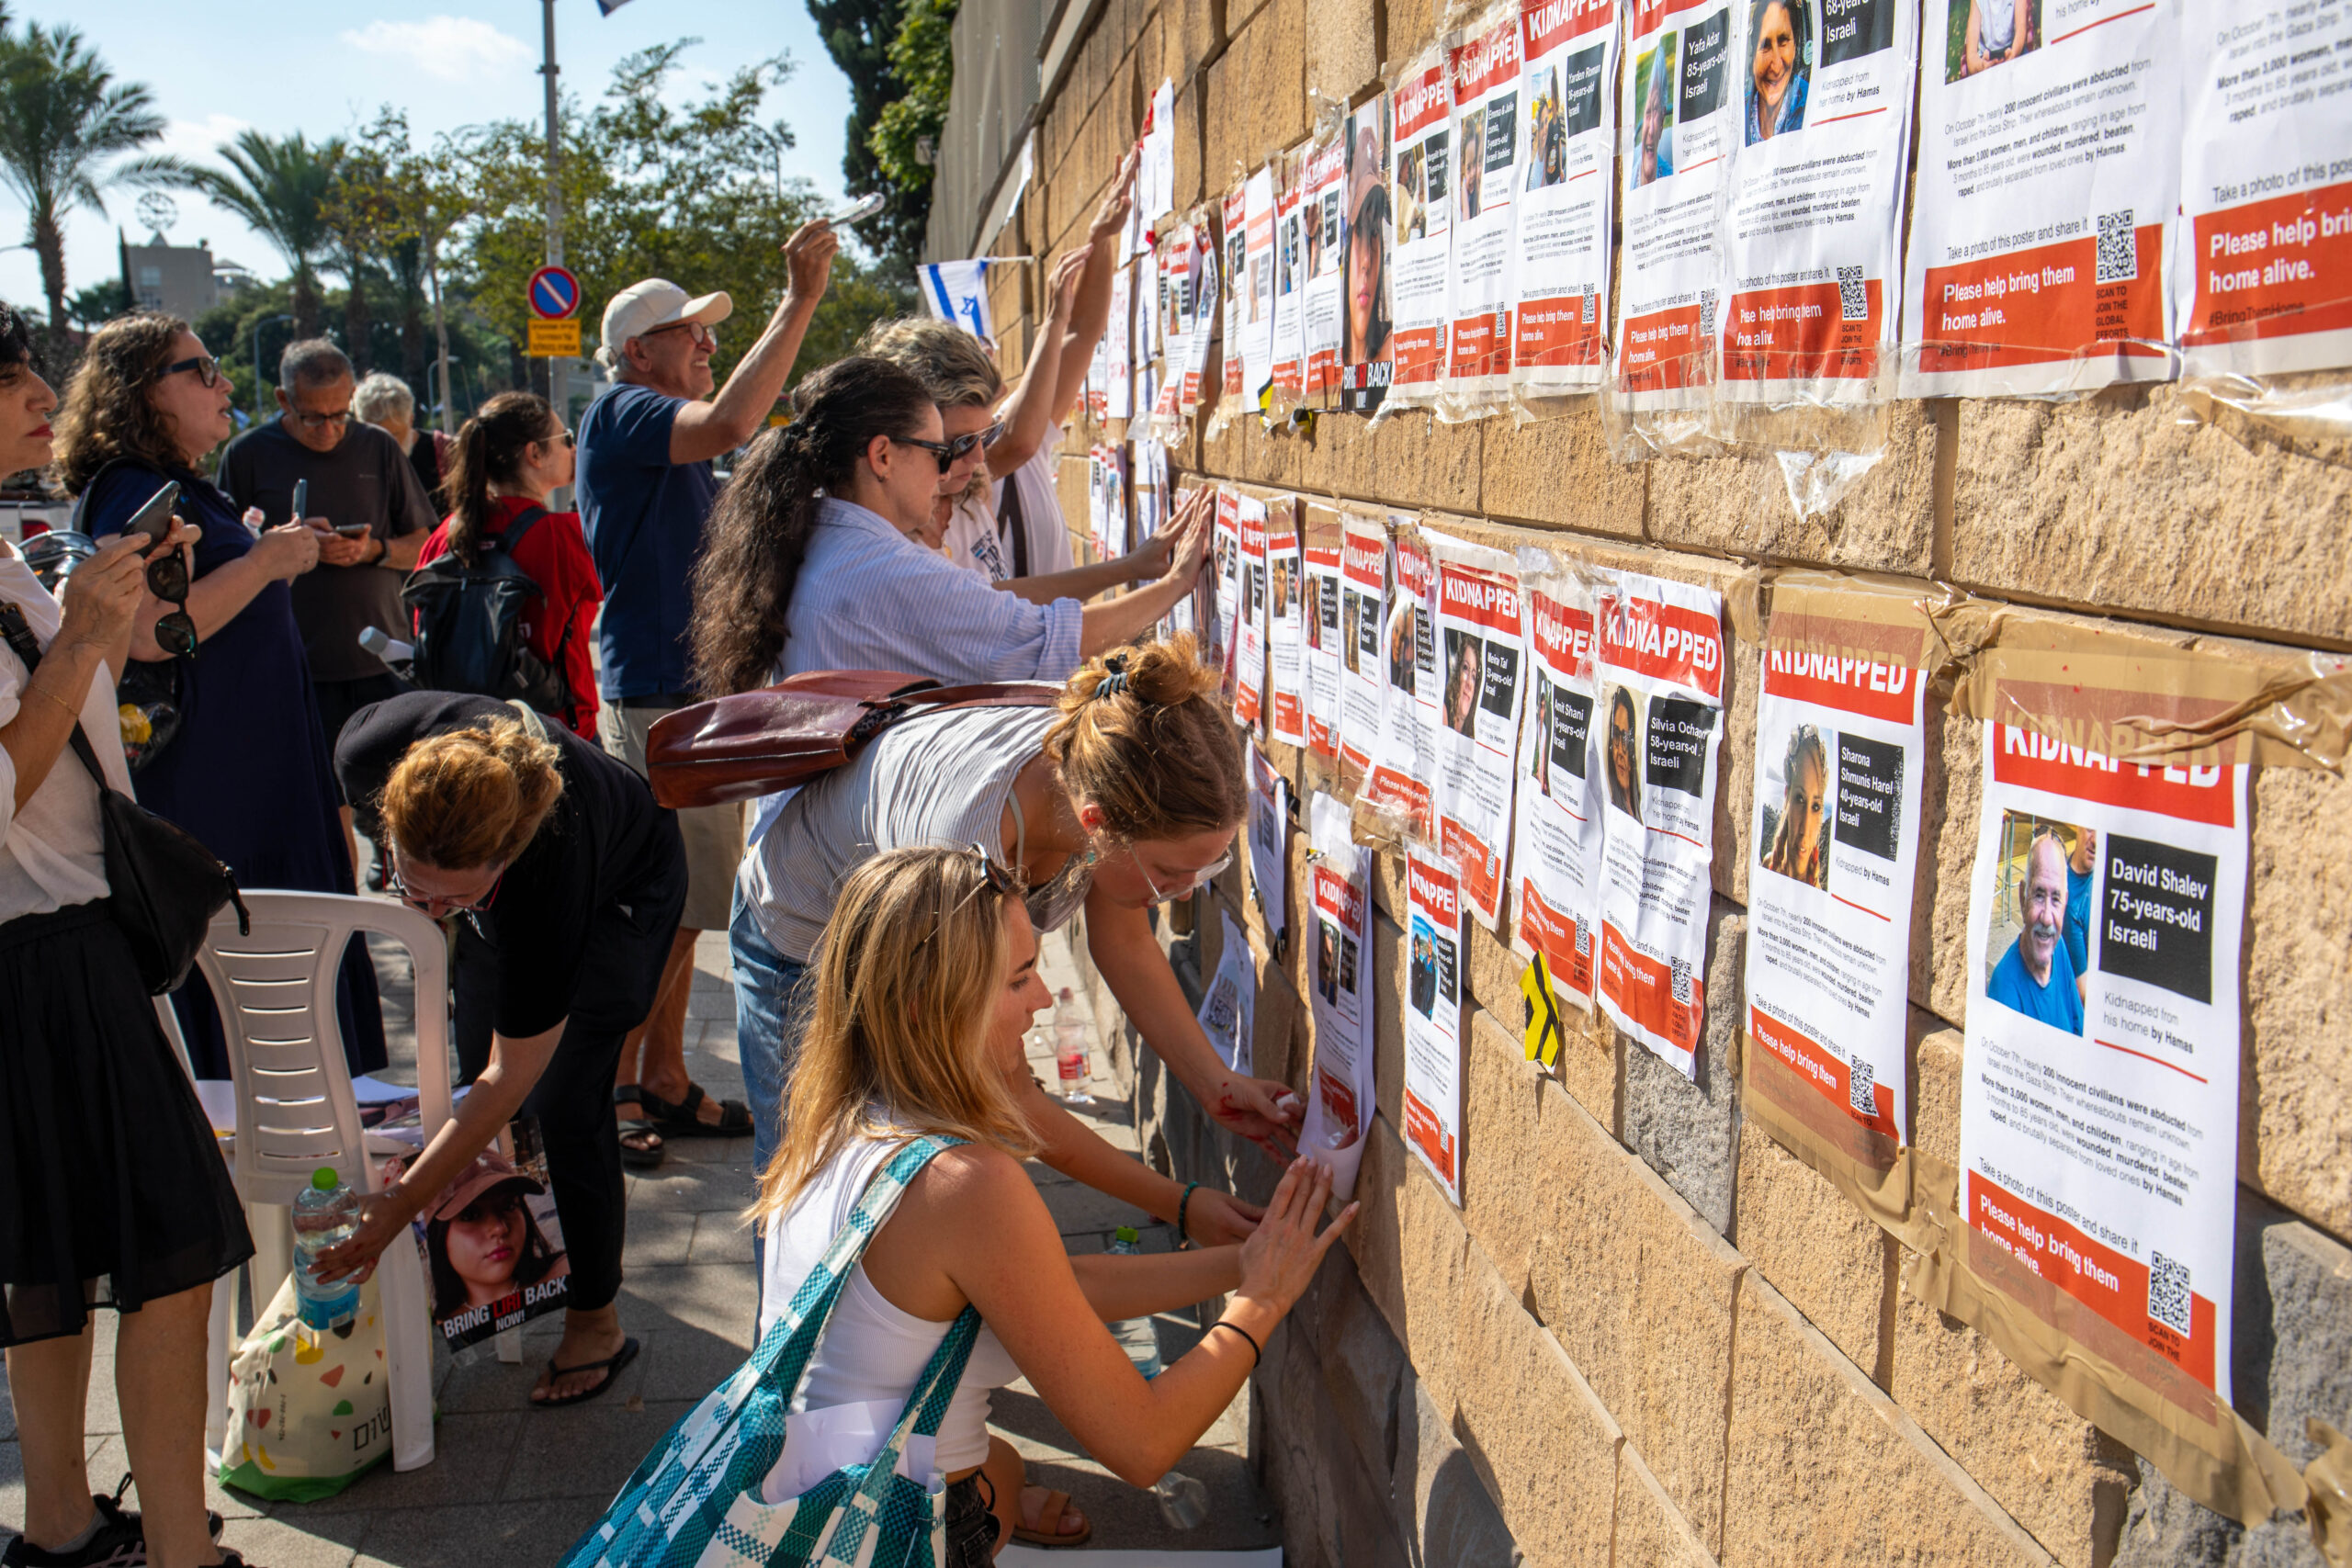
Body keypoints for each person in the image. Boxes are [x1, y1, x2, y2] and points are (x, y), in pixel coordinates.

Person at [742, 845, 1352, 1562]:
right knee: (990, 1473)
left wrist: (1241, 1261)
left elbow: (1055, 1289)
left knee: (996, 1465)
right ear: (926, 1009)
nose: (1041, 999)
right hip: (864, 1535)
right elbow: (1144, 1443)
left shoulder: (835, 1124)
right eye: (1020, 979)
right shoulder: (962, 1182)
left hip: (794, 1499)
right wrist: (1264, 1300)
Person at [735, 636, 1296, 1233]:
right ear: (1096, 824)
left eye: (1204, 870)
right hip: (797, 941)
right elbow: (1009, 1094)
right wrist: (1179, 1203)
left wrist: (1217, 1084)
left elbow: (1126, 945)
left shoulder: (1098, 769)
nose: (1183, 891)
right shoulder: (960, 850)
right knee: (810, 1195)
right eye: (1168, 872)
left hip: (903, 935)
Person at [0, 302, 255, 1568]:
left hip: (50, 937)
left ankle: (57, 1526)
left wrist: (94, 618)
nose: (41, 390)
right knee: (175, 1251)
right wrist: (87, 637)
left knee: (48, 1262)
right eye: (11, 376)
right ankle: (177, 1550)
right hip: (44, 948)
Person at [323, 693, 688, 1405]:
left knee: (560, 1102)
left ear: (506, 857)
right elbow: (481, 1089)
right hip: (494, 886)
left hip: (624, 892)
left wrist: (402, 1204)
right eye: (410, 886)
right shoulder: (369, 747)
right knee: (472, 1091)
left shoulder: (551, 867)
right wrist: (437, 895)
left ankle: (595, 1318)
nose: (426, 912)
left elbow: (511, 1076)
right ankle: (517, 1287)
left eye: (448, 900)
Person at [57, 310, 387, 1082]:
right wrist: (265, 560)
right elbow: (144, 630)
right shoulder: (131, 490)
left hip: (257, 790)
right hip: (223, 803)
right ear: (142, 392)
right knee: (261, 1021)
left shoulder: (170, 486)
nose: (223, 381)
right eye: (200, 369)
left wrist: (255, 550)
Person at [577, 225, 840, 1155]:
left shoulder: (653, 437)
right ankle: (612, 1093)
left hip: (678, 694)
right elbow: (733, 423)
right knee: (661, 910)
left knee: (684, 910)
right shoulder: (626, 413)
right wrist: (799, 299)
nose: (707, 345)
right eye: (690, 333)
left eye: (708, 333)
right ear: (636, 352)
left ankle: (661, 1076)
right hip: (660, 697)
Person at [685, 356, 1207, 704]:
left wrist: (1132, 569)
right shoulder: (882, 568)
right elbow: (1055, 641)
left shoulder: (830, 537)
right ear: (883, 456)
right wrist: (1175, 585)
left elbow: (987, 601)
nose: (946, 473)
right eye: (939, 452)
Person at [859, 303, 1189, 601]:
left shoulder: (971, 487)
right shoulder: (883, 551)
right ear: (887, 450)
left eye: (986, 435)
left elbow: (1008, 600)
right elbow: (1000, 616)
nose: (977, 459)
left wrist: (1132, 568)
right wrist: (1148, 578)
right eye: (956, 444)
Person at [220, 339, 435, 761]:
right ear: (284, 399)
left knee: (397, 803)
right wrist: (286, 546)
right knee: (319, 805)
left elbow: (424, 549)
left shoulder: (379, 447)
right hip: (290, 667)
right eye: (313, 417)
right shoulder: (246, 456)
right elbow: (223, 560)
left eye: (340, 415)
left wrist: (372, 549)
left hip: (382, 661)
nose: (330, 430)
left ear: (352, 395)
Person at [413, 392, 604, 742]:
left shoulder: (444, 537)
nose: (573, 449)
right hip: (553, 731)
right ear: (534, 453)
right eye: (565, 439)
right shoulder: (563, 535)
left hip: (466, 731)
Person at [421, 1152, 569, 1321]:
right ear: (439, 1237)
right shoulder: (441, 1332)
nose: (499, 1228)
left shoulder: (562, 1273)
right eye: (470, 1215)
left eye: (509, 1206)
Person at [1986, 829, 2084, 1035]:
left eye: (2056, 899)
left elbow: (2079, 1027)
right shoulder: (2005, 988)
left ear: (2065, 903)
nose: (2047, 917)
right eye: (2039, 895)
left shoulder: (2059, 948)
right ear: (2023, 897)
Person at [351, 370, 447, 512]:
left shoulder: (444, 452)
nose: (386, 445)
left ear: (411, 419)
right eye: (376, 436)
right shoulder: (352, 459)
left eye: (394, 435)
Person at [1759, 723, 1828, 888]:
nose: (1805, 827)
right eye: (1800, 799)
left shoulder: (1815, 889)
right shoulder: (1770, 864)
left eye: (1816, 807)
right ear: (1787, 795)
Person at [1746, 0, 1810, 144]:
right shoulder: (1736, 119)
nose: (1776, 66)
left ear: (1795, 48)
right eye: (1765, 46)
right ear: (1754, 55)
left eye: (1783, 42)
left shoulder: (1812, 101)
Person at [1345, 180, 1393, 369]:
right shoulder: (1334, 363)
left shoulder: (1391, 345)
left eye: (1374, 233)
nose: (1366, 260)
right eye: (1359, 234)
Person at [2065, 826, 2096, 1008]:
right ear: (2077, 827)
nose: (2096, 841)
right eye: (2091, 829)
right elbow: (2082, 993)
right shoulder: (2069, 899)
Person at [1634, 59, 1675, 187]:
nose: (1651, 130)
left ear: (1662, 122)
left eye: (1658, 117)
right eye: (1648, 113)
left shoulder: (1671, 179)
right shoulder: (1627, 174)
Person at [1605, 685, 1643, 821]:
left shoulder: (1643, 809)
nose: (1620, 750)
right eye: (1616, 735)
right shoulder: (1608, 808)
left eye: (1626, 738)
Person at [1962, 0, 2025, 75]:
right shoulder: (1977, 2)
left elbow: (2021, 30)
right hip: (1987, 56)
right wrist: (1981, 65)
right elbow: (1971, 57)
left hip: (2012, 48)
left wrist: (2013, 54)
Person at [1442, 633, 1481, 737]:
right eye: (1465, 668)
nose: (1469, 682)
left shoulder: (1475, 732)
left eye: (1473, 676)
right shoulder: (1443, 713)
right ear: (1457, 674)